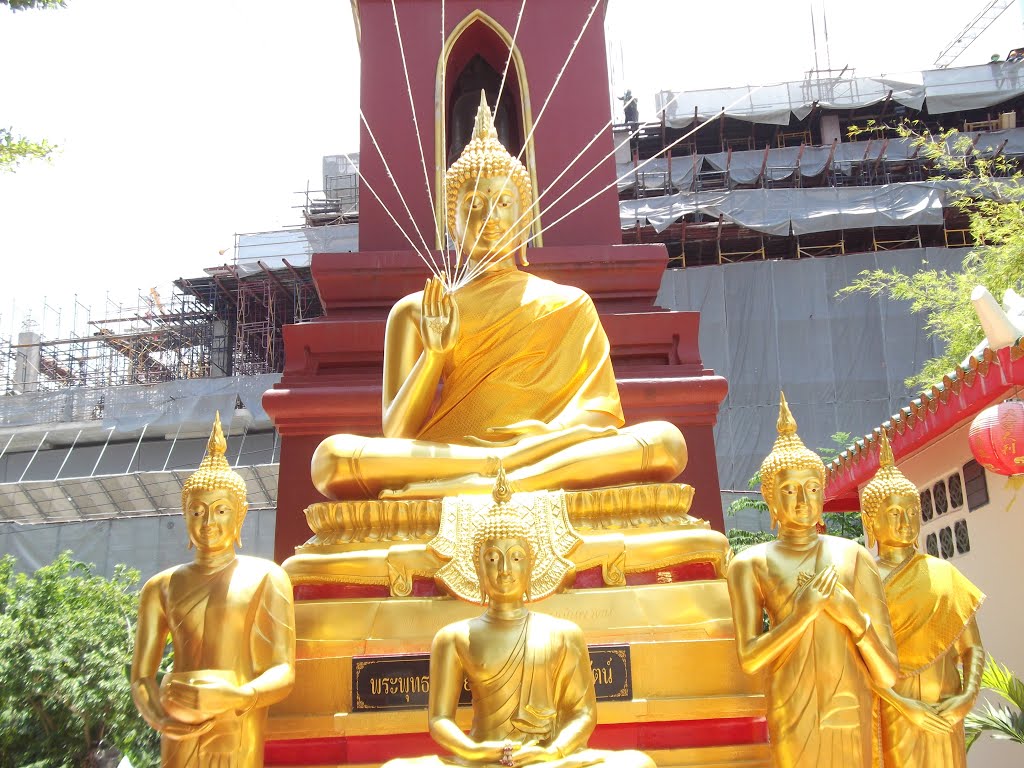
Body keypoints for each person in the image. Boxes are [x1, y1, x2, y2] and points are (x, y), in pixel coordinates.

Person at [312, 93, 685, 500]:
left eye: (504, 202)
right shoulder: (417, 310)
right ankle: (495, 470)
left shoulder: (569, 304)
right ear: (451, 225)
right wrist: (434, 356)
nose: (489, 217)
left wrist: (546, 436)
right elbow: (398, 434)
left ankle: (495, 480)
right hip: (452, 453)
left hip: (545, 448)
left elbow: (598, 415)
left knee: (666, 441)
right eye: (473, 204)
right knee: (332, 458)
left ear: (524, 219)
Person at [382, 472, 655, 768]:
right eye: (491, 559)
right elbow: (439, 720)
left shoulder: (564, 633)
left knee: (637, 763)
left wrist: (553, 753)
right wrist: (478, 752)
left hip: (546, 758)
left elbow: (583, 714)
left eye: (515, 557)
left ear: (532, 563)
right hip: (484, 758)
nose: (504, 570)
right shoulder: (454, 637)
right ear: (476, 567)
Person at [726, 394, 899, 768]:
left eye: (813, 487)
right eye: (789, 489)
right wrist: (801, 615)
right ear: (769, 499)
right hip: (793, 708)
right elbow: (750, 659)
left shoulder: (854, 556)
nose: (803, 499)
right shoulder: (750, 563)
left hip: (850, 706)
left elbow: (888, 673)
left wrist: (854, 619)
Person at [131, 414, 296, 767]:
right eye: (197, 511)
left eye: (221, 510)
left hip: (237, 718)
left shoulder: (267, 577)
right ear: (184, 514)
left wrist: (239, 695)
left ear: (241, 515)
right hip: (177, 721)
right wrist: (159, 718)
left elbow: (283, 671)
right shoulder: (160, 587)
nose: (208, 523)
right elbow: (142, 676)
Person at [860, 431, 985, 768]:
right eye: (894, 513)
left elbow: (971, 647)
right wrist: (904, 705)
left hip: (946, 709)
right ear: (870, 522)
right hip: (893, 710)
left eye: (911, 511)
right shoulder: (862, 578)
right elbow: (854, 661)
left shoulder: (943, 573)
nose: (905, 521)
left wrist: (966, 697)